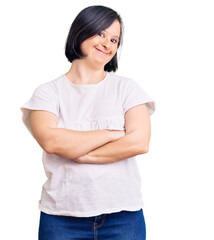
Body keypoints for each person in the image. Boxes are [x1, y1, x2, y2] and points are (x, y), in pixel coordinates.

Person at [21, 5, 155, 240]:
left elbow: (139, 142)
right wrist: (111, 134)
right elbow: (52, 142)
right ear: (81, 31)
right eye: (101, 34)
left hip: (123, 218)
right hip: (60, 219)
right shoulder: (47, 93)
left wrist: (80, 153)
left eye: (114, 39)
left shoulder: (127, 89)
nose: (107, 44)